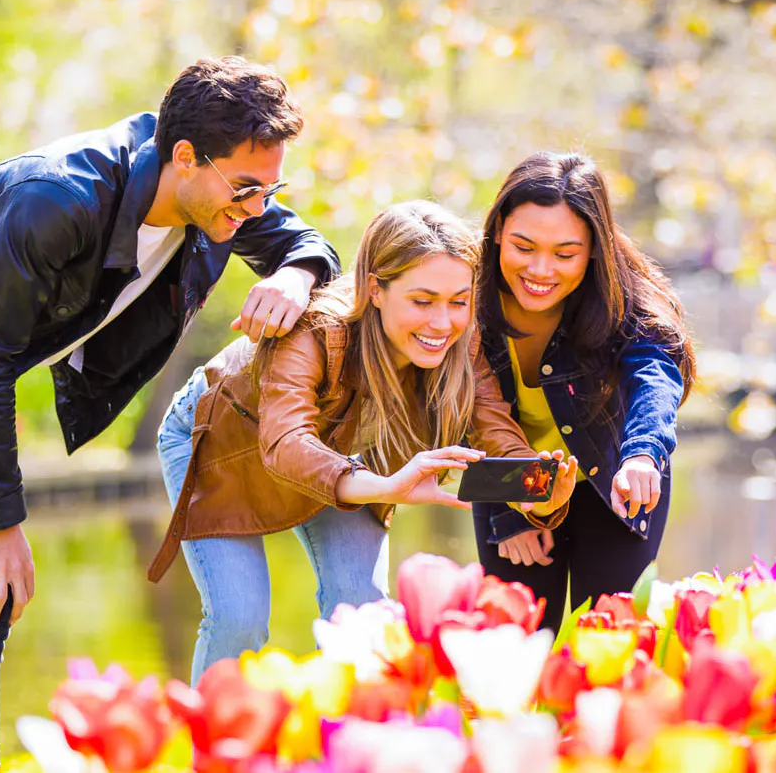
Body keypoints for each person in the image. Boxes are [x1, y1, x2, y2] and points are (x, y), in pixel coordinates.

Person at [0, 57, 340, 773]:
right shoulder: (61, 197)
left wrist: (294, 272)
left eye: (271, 189)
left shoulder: (212, 197)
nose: (258, 207)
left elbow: (302, 242)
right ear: (186, 157)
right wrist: (0, 520)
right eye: (248, 188)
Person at [147, 200, 577, 683]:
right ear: (375, 289)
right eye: (422, 300)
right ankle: (217, 752)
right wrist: (386, 486)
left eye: (459, 301)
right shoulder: (314, 331)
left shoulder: (462, 343)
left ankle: (345, 746)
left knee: (364, 610)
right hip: (223, 444)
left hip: (342, 455)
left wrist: (540, 490)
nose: (443, 324)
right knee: (238, 619)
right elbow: (286, 443)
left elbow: (494, 434)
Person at [471, 152, 695, 633]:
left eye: (564, 253)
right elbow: (469, 416)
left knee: (607, 646)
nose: (540, 269)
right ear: (496, 234)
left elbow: (654, 377)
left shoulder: (623, 299)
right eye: (523, 247)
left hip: (613, 480)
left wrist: (642, 456)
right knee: (516, 649)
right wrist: (509, 513)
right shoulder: (465, 297)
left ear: (595, 248)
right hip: (516, 480)